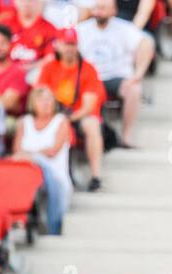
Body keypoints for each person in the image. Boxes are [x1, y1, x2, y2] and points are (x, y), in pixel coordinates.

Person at [77, 0, 155, 147]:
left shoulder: (124, 28)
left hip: (116, 77)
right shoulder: (81, 29)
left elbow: (146, 44)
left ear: (114, 10)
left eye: (104, 8)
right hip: (89, 79)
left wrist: (137, 75)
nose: (100, 12)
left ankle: (126, 136)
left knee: (134, 89)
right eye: (98, 8)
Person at [37, 28, 106, 192]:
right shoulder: (49, 67)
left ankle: (96, 175)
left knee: (92, 125)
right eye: (66, 44)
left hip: (78, 115)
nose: (69, 48)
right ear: (58, 46)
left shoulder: (88, 68)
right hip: (54, 114)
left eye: (73, 44)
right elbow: (39, 95)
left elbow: (89, 105)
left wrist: (70, 119)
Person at [12, 86, 72, 235]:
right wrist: (31, 156)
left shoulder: (61, 121)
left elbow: (53, 151)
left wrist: (32, 156)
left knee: (41, 165)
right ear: (33, 103)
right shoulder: (24, 122)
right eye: (41, 99)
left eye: (49, 99)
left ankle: (51, 228)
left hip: (53, 175)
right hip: (25, 175)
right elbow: (16, 151)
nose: (45, 103)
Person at [0, 0, 57, 80]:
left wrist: (29, 67)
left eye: (30, 1)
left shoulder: (49, 28)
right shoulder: (5, 23)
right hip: (5, 70)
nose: (26, 4)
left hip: (32, 71)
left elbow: (50, 58)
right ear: (15, 2)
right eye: (22, 1)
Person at [0, 24, 29, 156]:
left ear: (10, 45)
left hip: (9, 120)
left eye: (2, 43)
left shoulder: (16, 71)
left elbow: (7, 103)